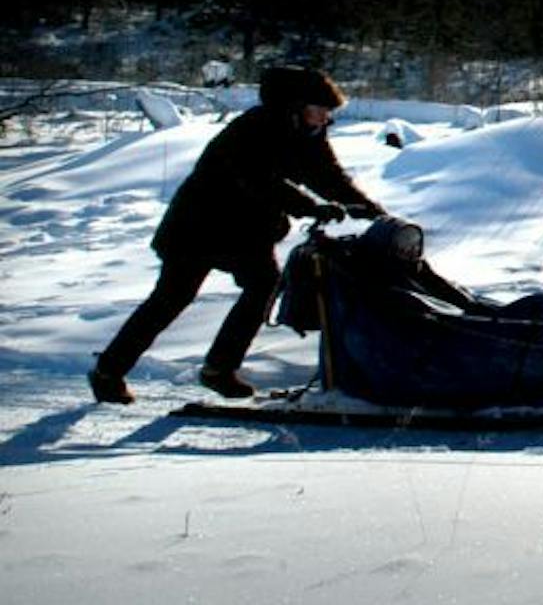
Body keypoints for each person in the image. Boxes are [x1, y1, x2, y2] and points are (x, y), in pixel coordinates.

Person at [88, 65, 386, 403]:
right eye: (320, 111)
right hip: (197, 227)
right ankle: (108, 372)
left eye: (328, 113)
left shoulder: (307, 134)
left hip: (245, 231)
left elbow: (328, 176)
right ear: (296, 105)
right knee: (170, 300)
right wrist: (310, 207)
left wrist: (370, 210)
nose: (325, 119)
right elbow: (258, 180)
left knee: (263, 287)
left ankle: (219, 368)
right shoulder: (254, 128)